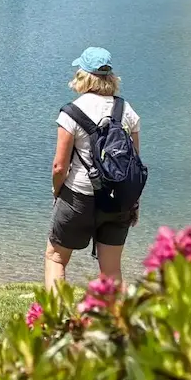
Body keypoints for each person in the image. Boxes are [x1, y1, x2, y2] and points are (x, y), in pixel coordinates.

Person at [45, 46, 141, 290]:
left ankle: (57, 313)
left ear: (83, 75)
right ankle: (115, 314)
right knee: (111, 270)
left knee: (56, 258)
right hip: (118, 199)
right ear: (111, 77)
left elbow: (59, 166)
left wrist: (57, 191)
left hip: (79, 195)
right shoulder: (126, 110)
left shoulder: (71, 112)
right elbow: (134, 164)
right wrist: (134, 202)